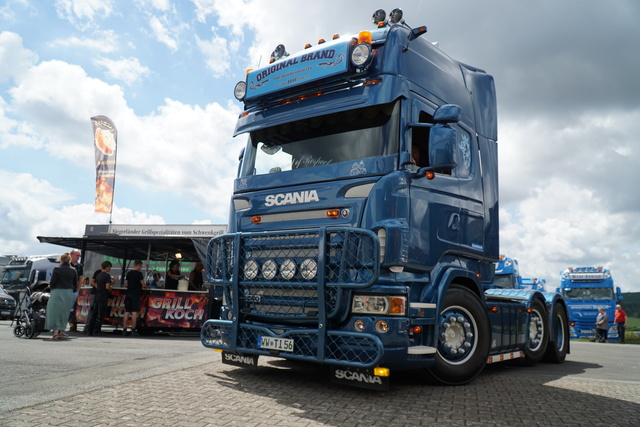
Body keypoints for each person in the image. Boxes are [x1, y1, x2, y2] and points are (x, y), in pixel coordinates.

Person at [45, 252, 78, 340]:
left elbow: (52, 282)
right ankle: (62, 332)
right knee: (65, 312)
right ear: (69, 260)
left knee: (55, 312)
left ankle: (55, 333)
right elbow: (75, 283)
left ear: (61, 260)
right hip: (69, 292)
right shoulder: (73, 270)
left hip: (57, 291)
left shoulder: (57, 269)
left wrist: (50, 286)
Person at [85, 261, 112, 336]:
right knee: (101, 313)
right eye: (109, 267)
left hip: (97, 294)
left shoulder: (98, 274)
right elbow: (107, 286)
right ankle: (97, 330)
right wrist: (109, 287)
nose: (110, 269)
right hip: (103, 295)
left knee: (94, 312)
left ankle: (90, 330)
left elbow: (95, 283)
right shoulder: (107, 276)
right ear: (107, 267)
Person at [123, 260, 147, 335]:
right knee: (134, 312)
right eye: (141, 265)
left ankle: (124, 329)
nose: (141, 267)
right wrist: (146, 286)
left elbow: (125, 284)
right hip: (135, 294)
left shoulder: (129, 273)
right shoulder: (139, 274)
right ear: (138, 265)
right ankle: (133, 329)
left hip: (128, 293)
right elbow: (143, 284)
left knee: (127, 312)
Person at [67, 249, 84, 332]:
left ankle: (72, 325)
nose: (78, 257)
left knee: (72, 308)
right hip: (65, 289)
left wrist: (78, 289)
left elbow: (80, 279)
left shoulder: (79, 266)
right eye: (77, 255)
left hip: (74, 290)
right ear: (71, 255)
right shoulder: (66, 264)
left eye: (79, 256)